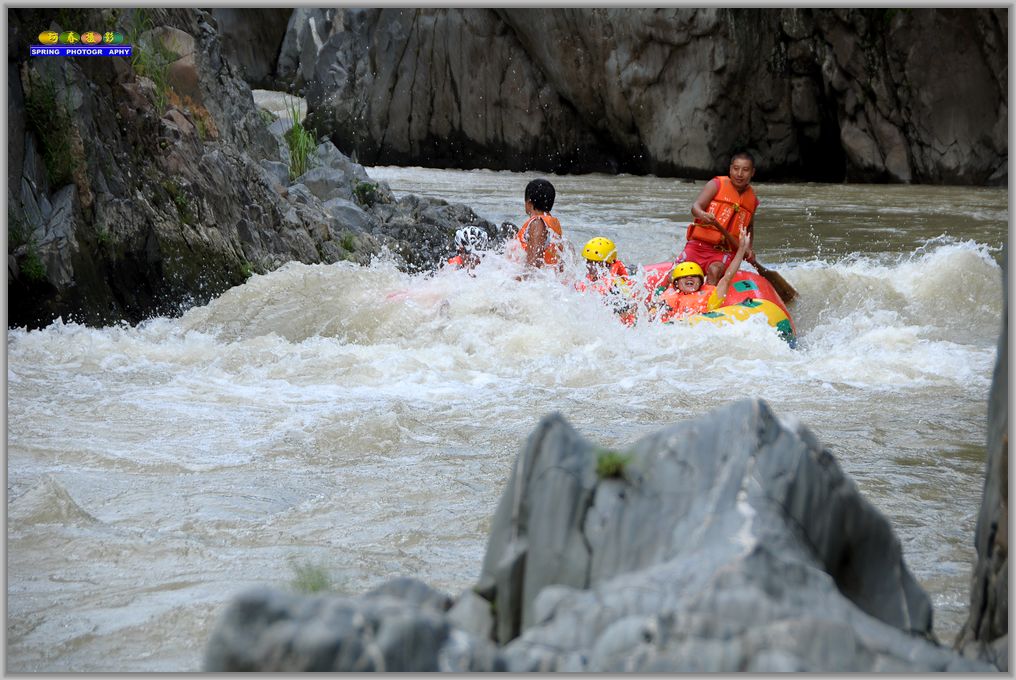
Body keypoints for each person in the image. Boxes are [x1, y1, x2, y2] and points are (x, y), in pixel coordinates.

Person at [676, 151, 759, 285]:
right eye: (736, 168)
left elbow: (749, 227)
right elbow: (696, 207)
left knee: (714, 270)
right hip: (698, 246)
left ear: (752, 172)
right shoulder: (716, 184)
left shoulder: (753, 200)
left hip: (724, 252)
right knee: (677, 273)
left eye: (745, 170)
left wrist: (748, 248)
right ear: (730, 169)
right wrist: (703, 214)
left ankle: (709, 304)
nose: (739, 174)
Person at [653, 228, 750, 323]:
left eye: (694, 276)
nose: (689, 277)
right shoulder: (667, 295)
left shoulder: (710, 298)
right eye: (684, 276)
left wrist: (741, 249)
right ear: (676, 283)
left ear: (700, 282)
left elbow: (727, 278)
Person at [578, 237, 637, 325]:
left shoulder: (615, 286)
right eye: (588, 262)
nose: (590, 266)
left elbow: (627, 313)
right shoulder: (590, 279)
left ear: (607, 264)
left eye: (595, 263)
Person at [515, 178, 563, 270]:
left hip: (537, 279)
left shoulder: (537, 223)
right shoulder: (551, 223)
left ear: (529, 203)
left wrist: (520, 280)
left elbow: (534, 263)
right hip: (549, 277)